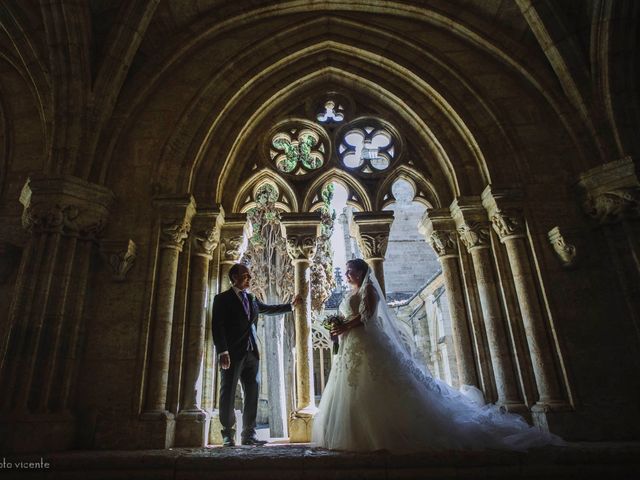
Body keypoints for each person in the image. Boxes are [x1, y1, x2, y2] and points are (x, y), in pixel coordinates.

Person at [312, 258, 565, 452]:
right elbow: (349, 317)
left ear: (361, 271)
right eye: (345, 270)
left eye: (350, 270)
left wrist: (345, 327)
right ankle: (355, 435)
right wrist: (338, 331)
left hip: (367, 342)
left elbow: (367, 317)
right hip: (350, 345)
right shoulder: (350, 293)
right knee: (352, 389)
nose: (346, 274)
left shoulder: (370, 290)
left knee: (376, 386)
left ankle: (379, 435)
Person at [212, 263, 300, 446]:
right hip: (232, 353)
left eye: (249, 275)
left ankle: (248, 435)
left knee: (252, 392)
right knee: (227, 392)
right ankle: (228, 434)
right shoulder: (222, 299)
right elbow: (217, 326)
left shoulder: (251, 298)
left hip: (252, 353)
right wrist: (223, 351)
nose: (249, 279)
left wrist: (291, 306)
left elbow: (267, 309)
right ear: (234, 277)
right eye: (246, 275)